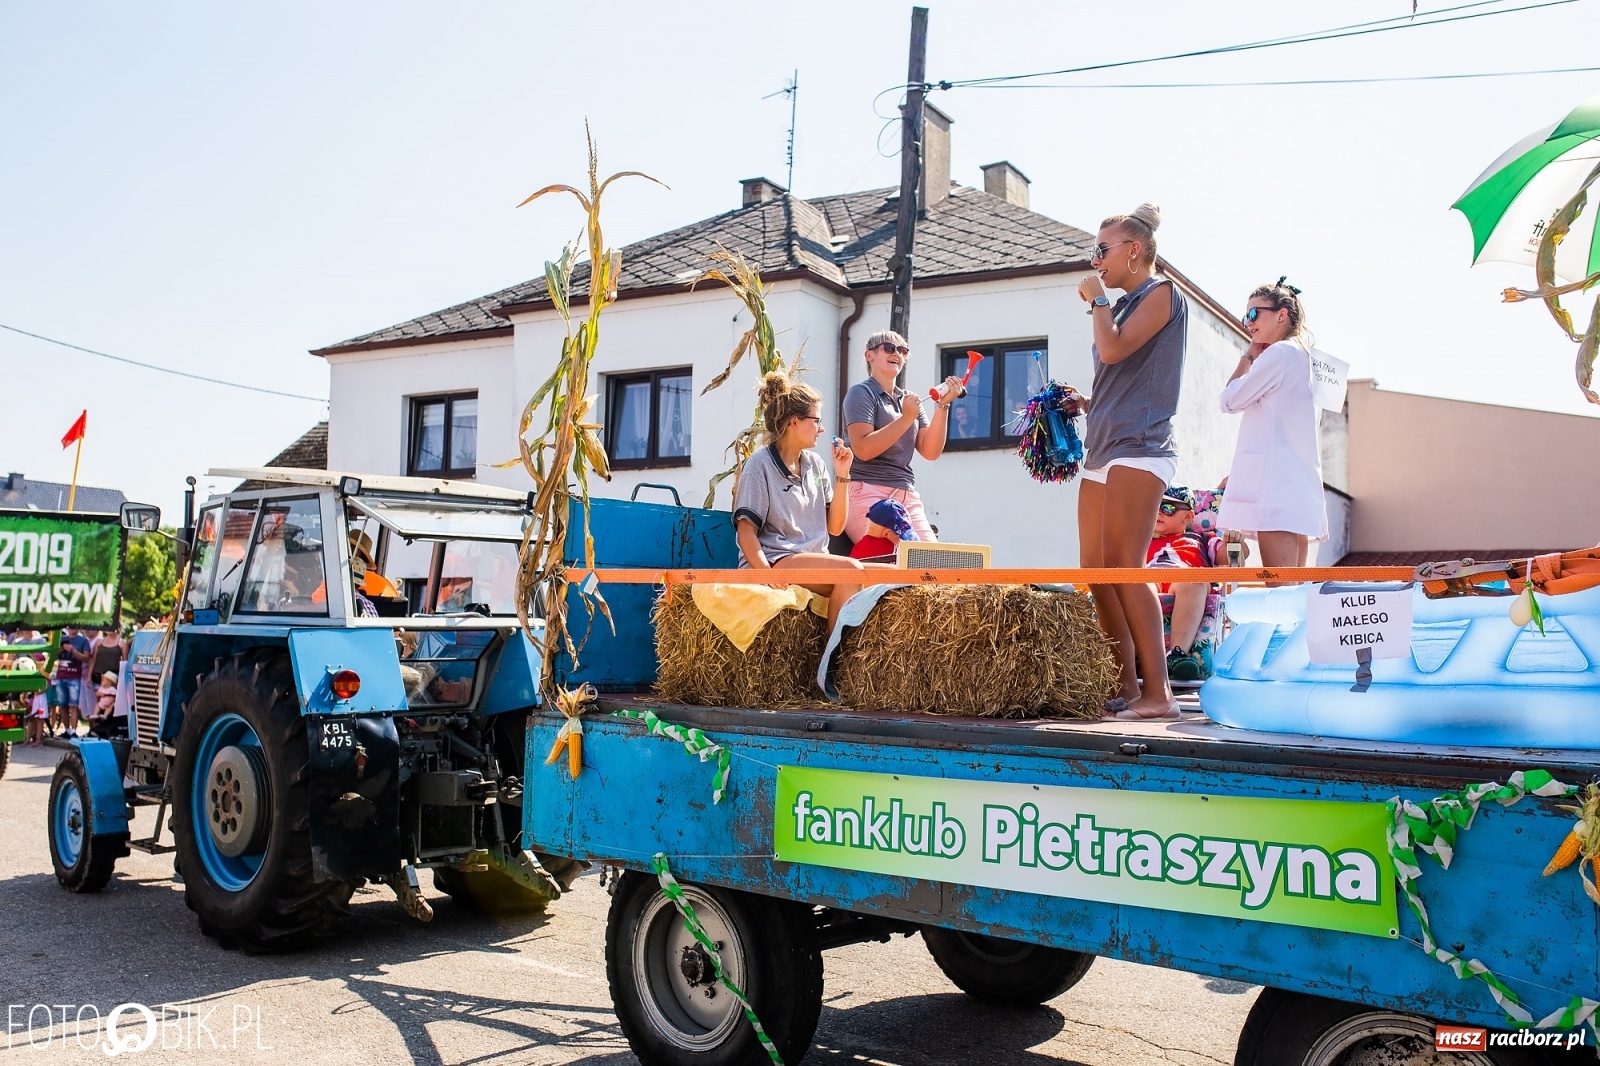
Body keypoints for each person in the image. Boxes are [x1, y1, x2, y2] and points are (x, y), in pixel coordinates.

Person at [1075, 203, 1188, 721]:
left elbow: (1114, 351)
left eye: (1102, 249)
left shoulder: (1162, 293)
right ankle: (1124, 687)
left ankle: (1159, 694)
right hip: (1103, 445)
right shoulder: (1121, 306)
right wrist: (1083, 404)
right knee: (1097, 572)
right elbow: (1118, 373)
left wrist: (1098, 301)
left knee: (1125, 566)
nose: (1095, 260)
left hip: (1141, 446)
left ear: (1134, 250)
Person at [734, 369, 879, 635]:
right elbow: (746, 532)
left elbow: (835, 527)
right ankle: (836, 657)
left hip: (813, 562)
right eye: (817, 420)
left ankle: (834, 653)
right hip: (777, 560)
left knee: (892, 574)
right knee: (851, 570)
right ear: (794, 422)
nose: (822, 428)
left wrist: (843, 474)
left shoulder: (816, 464)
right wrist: (766, 574)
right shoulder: (759, 465)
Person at [1218, 280, 1329, 571]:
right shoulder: (1309, 359)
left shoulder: (1278, 354)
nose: (1248, 322)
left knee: (1279, 589)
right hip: (1300, 489)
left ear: (1281, 315)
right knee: (1294, 592)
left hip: (1275, 490)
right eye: (1246, 316)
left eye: (1254, 313)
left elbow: (1229, 400)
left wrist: (1248, 357)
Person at [841, 330, 962, 544]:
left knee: (932, 560)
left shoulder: (909, 400)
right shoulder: (861, 393)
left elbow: (930, 451)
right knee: (890, 558)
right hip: (867, 491)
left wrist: (943, 405)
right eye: (889, 348)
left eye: (902, 350)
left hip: (906, 494)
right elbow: (863, 449)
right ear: (869, 355)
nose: (896, 353)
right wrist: (906, 419)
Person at [1146, 487, 1209, 682]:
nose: (1159, 513)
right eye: (1156, 507)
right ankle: (1134, 657)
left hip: (1185, 580)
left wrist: (1234, 539)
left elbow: (1234, 554)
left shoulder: (1202, 538)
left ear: (1188, 517)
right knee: (1135, 586)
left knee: (1194, 580)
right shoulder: (1142, 539)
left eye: (1168, 508)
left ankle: (1176, 654)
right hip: (1150, 578)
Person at [51, 627, 92, 736]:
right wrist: (57, 651)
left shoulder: (83, 640)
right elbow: (53, 657)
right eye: (69, 626)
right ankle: (66, 730)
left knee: (74, 705)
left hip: (75, 677)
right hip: (60, 676)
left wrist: (73, 651)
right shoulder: (61, 639)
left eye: (74, 626)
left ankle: (73, 731)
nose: (71, 628)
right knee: (62, 705)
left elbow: (87, 658)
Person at [849, 499, 918, 561]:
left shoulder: (857, 547)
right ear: (887, 533)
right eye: (899, 535)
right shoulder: (887, 546)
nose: (900, 540)